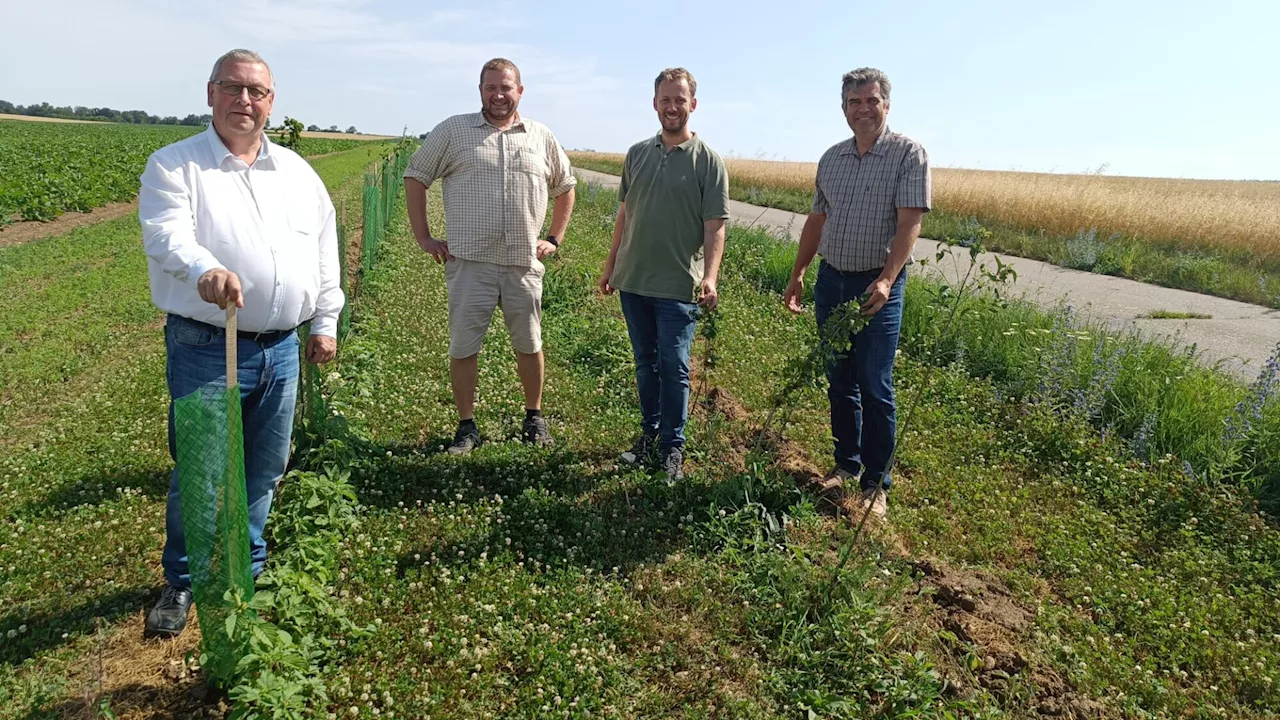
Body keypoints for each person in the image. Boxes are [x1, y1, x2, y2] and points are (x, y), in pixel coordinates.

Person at [139, 49, 344, 638]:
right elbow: (165, 235)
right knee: (202, 469)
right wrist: (204, 267)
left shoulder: (299, 174)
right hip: (208, 342)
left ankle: (246, 567)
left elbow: (323, 252)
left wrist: (325, 320)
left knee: (264, 466)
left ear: (272, 102)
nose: (244, 102)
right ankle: (182, 579)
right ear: (210, 94)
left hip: (282, 348)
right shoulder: (175, 166)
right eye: (233, 88)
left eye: (257, 92)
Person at [403, 58, 577, 454]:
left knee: (530, 343)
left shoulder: (540, 135)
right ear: (480, 90)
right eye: (490, 88)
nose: (499, 95)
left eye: (506, 88)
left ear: (520, 90)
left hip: (522, 264)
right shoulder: (453, 131)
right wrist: (424, 237)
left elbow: (565, 185)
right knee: (464, 346)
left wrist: (554, 237)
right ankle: (466, 427)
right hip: (470, 263)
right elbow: (415, 176)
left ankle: (534, 417)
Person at [782, 67, 931, 519]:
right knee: (839, 378)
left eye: (871, 101)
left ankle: (875, 483)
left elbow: (910, 225)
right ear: (843, 107)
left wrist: (886, 279)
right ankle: (846, 465)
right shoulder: (832, 159)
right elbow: (817, 221)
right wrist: (798, 273)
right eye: (854, 102)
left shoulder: (908, 154)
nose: (863, 110)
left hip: (875, 285)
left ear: (886, 103)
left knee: (875, 383)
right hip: (832, 280)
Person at [599, 68, 729, 480]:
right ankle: (649, 434)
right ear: (655, 103)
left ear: (693, 104)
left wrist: (710, 277)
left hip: (677, 285)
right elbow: (625, 213)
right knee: (645, 362)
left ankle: (673, 447)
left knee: (673, 365)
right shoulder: (637, 154)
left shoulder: (708, 161)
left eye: (680, 99)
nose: (672, 107)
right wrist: (610, 264)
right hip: (634, 280)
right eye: (665, 100)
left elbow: (715, 226)